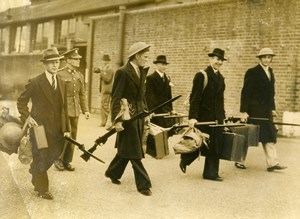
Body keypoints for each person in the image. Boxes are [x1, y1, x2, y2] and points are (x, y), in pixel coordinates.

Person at [17, 47, 70, 200]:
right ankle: (43, 189)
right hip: (39, 128)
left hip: (57, 128)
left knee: (54, 154)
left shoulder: (62, 81)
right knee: (42, 155)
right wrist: (28, 118)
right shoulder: (35, 82)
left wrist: (66, 128)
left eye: (58, 62)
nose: (55, 65)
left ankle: (35, 170)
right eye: (52, 62)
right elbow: (21, 102)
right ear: (45, 64)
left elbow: (64, 108)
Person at [104, 42, 152, 196]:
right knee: (135, 150)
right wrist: (116, 120)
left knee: (128, 147)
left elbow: (142, 96)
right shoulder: (122, 72)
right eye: (144, 56)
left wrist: (146, 111)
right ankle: (144, 184)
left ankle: (113, 172)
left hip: (138, 115)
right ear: (136, 56)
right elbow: (116, 96)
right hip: (126, 116)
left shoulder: (141, 71)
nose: (146, 59)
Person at [179, 48, 227, 181]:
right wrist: (192, 117)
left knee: (215, 143)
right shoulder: (202, 76)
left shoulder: (221, 78)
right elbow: (195, 98)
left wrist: (223, 117)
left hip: (217, 118)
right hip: (203, 116)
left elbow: (220, 100)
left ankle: (211, 173)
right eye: (217, 59)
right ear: (211, 59)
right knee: (199, 142)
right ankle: (185, 159)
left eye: (221, 60)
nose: (219, 62)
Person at [236, 47, 287, 172]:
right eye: (264, 57)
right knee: (248, 135)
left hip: (266, 111)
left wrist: (273, 108)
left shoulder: (271, 72)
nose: (267, 60)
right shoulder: (252, 72)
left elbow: (271, 94)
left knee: (269, 136)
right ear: (260, 58)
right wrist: (244, 111)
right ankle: (239, 160)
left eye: (269, 57)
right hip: (253, 110)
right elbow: (245, 93)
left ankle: (272, 163)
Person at [54, 48, 90, 171]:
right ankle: (58, 159)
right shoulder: (59, 74)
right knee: (63, 135)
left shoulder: (79, 75)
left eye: (79, 59)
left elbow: (82, 94)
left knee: (73, 137)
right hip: (64, 111)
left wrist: (85, 110)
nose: (78, 61)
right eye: (75, 59)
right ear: (68, 60)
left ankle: (67, 160)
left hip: (75, 110)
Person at [146, 55, 175, 128]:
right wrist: (150, 111)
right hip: (156, 111)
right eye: (162, 65)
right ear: (156, 65)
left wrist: (171, 110)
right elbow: (149, 96)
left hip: (166, 111)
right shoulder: (150, 78)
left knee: (168, 132)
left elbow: (169, 96)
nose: (164, 67)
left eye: (165, 65)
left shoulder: (167, 78)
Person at [94, 54, 114, 127]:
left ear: (108, 61)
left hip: (107, 90)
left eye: (106, 60)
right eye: (104, 60)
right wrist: (100, 70)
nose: (105, 62)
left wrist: (102, 72)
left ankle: (109, 122)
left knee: (105, 106)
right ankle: (104, 122)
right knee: (103, 105)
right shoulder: (105, 68)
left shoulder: (110, 69)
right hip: (104, 90)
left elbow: (107, 79)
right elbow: (95, 70)